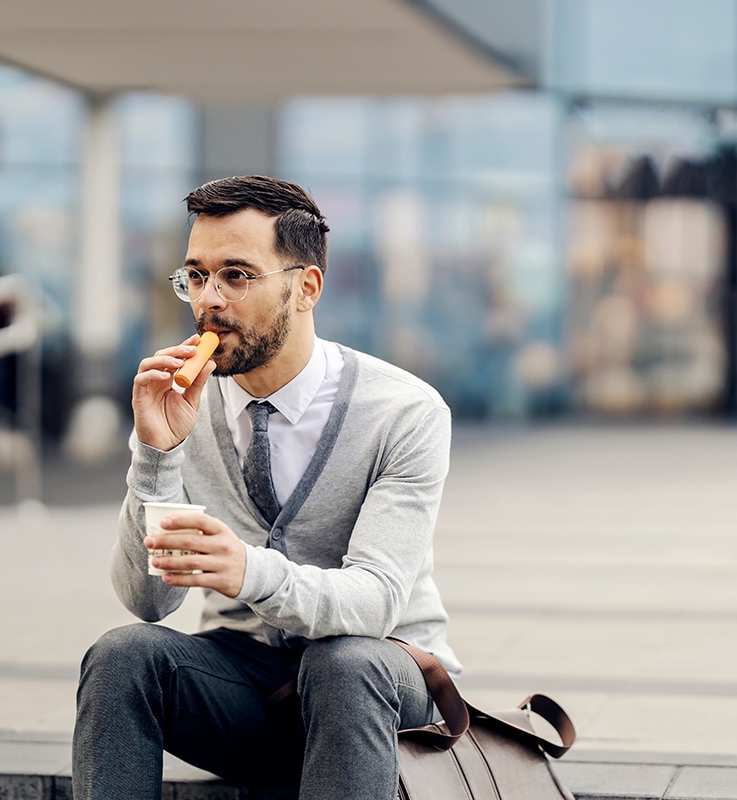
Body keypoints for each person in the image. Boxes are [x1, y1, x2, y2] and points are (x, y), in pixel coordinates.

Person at [72, 175, 460, 800]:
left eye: (237, 275)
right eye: (195, 276)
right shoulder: (183, 404)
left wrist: (248, 570)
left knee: (344, 661)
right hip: (251, 691)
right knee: (122, 656)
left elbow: (375, 602)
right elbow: (149, 603)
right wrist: (155, 453)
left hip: (382, 694)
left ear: (306, 287)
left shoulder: (404, 412)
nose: (209, 300)